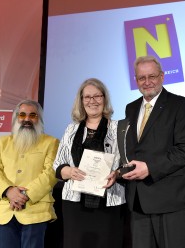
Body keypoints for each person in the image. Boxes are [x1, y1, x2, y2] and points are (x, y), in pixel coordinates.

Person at [121, 55, 185, 248]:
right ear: (136, 80)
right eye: (141, 78)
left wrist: (150, 168)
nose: (147, 82)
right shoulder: (130, 108)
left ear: (162, 77)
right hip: (138, 202)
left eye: (152, 76)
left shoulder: (181, 105)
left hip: (171, 201)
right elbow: (129, 150)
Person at [53, 78, 126, 248]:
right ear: (81, 101)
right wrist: (69, 171)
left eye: (97, 96)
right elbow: (57, 164)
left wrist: (117, 174)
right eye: (87, 97)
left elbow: (127, 163)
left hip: (109, 202)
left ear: (104, 99)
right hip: (75, 203)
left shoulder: (119, 129)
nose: (92, 101)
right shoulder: (71, 129)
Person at [0, 100, 59, 248]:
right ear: (16, 118)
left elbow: (51, 173)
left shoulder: (51, 142)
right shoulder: (3, 142)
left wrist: (25, 196)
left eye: (32, 115)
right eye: (22, 115)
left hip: (35, 210)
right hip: (5, 210)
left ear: (39, 119)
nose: (27, 119)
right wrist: (9, 191)